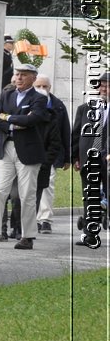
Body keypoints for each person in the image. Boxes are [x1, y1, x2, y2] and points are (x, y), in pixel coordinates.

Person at [0, 65, 47, 250]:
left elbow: (33, 120)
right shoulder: (5, 95)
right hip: (4, 147)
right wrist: (14, 123)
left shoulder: (39, 99)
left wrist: (6, 117)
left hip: (28, 151)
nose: (18, 78)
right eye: (17, 74)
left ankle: (27, 235)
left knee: (26, 194)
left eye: (23, 75)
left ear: (33, 78)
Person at [72, 75, 108, 249]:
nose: (105, 90)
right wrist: (75, 158)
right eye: (102, 87)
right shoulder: (84, 109)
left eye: (108, 87)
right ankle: (90, 234)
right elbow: (76, 134)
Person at [32, 75, 70, 234]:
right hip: (31, 152)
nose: (42, 89)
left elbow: (65, 131)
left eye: (45, 86)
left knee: (48, 186)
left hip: (52, 153)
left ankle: (45, 219)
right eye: (38, 86)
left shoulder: (58, 106)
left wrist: (68, 157)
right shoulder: (30, 102)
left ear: (50, 87)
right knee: (31, 187)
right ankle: (31, 219)